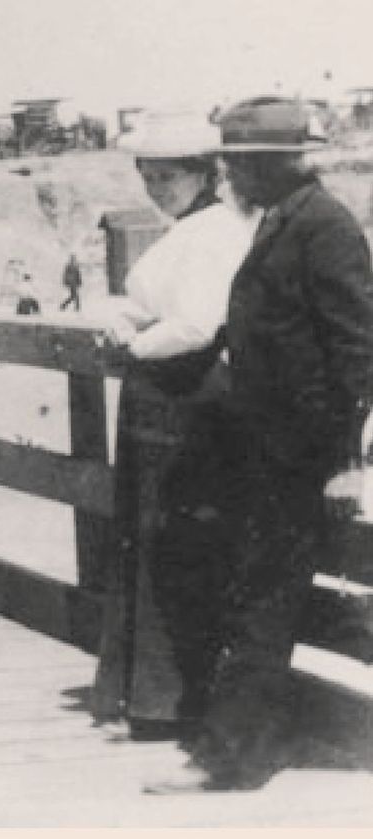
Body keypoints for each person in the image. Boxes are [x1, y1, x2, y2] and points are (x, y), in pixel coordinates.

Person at [145, 98, 373, 794]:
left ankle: (233, 756)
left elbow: (358, 351)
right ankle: (241, 744)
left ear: (269, 163)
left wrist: (346, 462)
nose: (227, 174)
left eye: (237, 163)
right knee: (260, 594)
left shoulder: (323, 227)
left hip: (302, 457)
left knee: (262, 600)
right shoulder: (283, 219)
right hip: (269, 452)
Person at [88, 115, 257, 740]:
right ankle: (152, 697)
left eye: (169, 177)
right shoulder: (187, 230)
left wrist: (134, 344)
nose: (157, 188)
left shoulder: (213, 232)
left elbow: (195, 323)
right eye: (148, 176)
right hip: (165, 399)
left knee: (172, 546)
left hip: (187, 399)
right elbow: (156, 299)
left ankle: (173, 702)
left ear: (206, 174)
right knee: (150, 540)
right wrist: (120, 313)